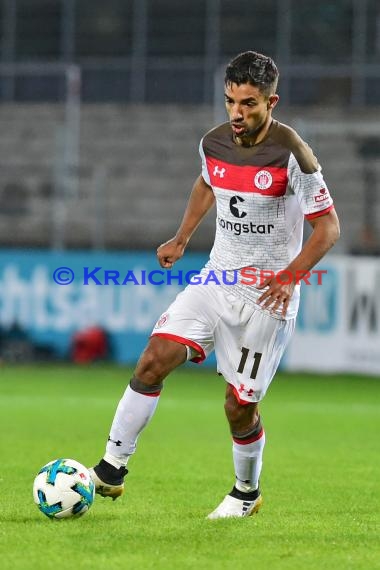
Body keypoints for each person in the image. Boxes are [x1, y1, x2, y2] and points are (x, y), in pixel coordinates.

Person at [89, 51, 340, 519]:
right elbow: (207, 184)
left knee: (238, 407)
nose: (237, 113)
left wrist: (289, 277)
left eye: (248, 103)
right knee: (154, 358)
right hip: (217, 277)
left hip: (267, 294)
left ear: (271, 101)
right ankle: (111, 468)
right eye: (230, 102)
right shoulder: (214, 143)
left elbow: (328, 228)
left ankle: (246, 492)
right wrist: (182, 237)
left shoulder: (293, 154)